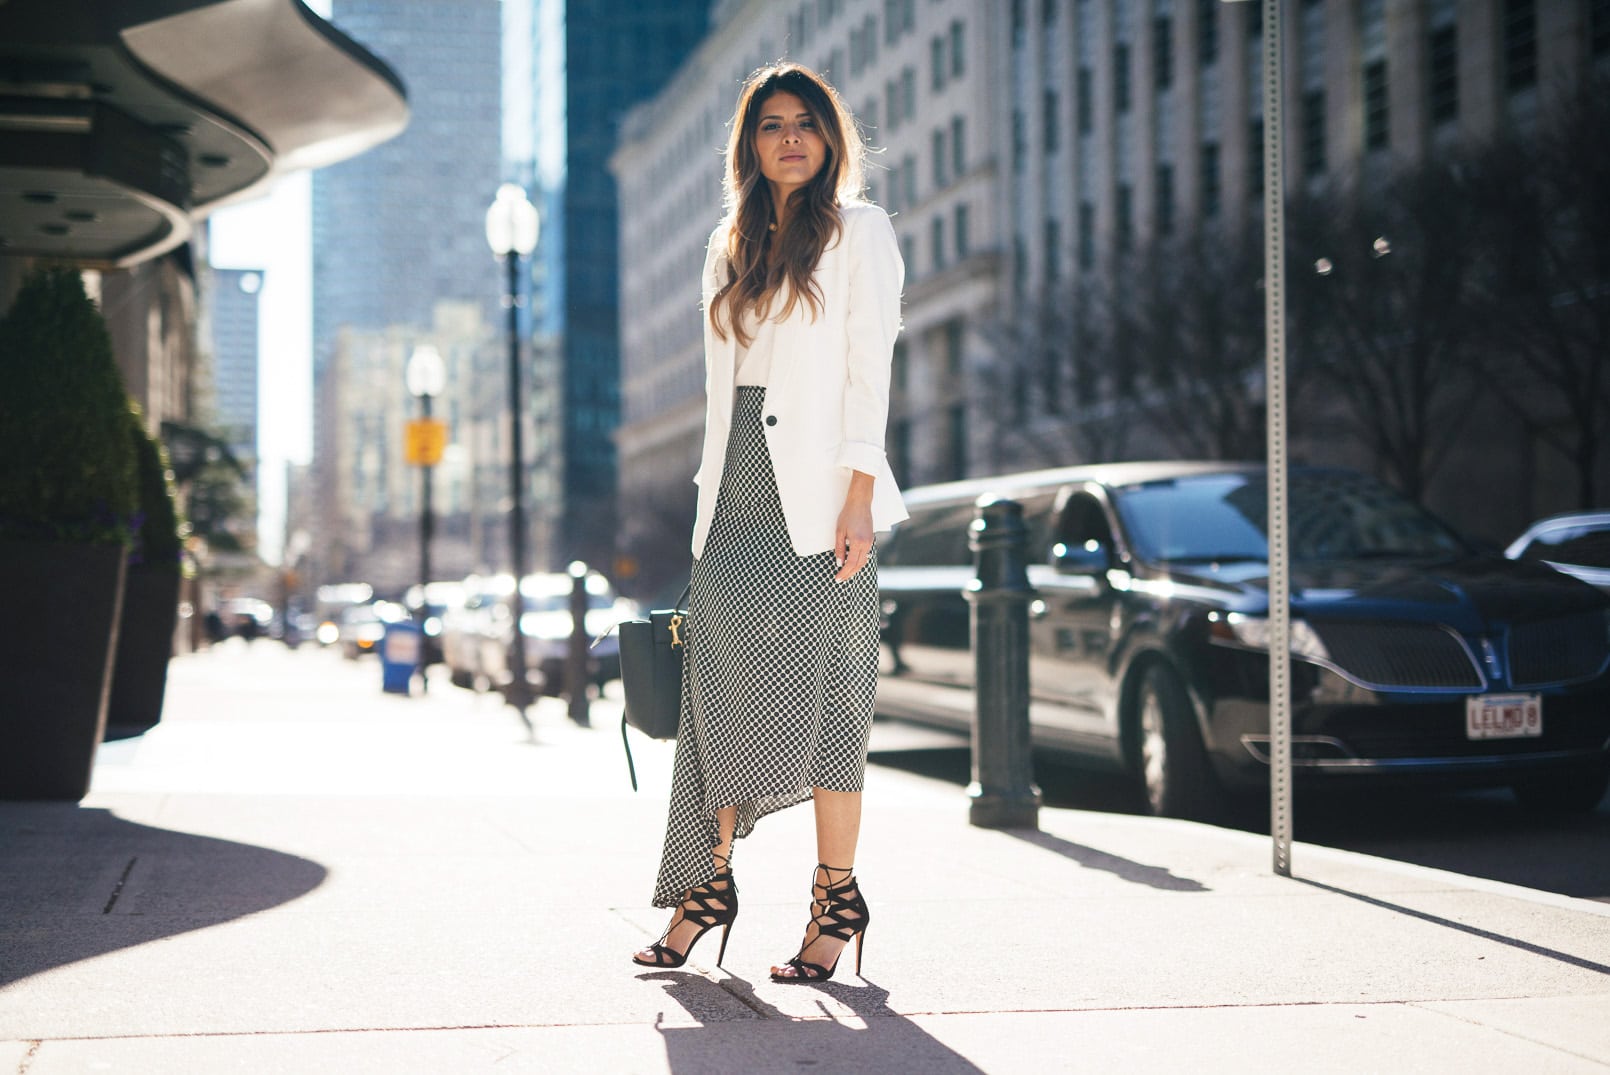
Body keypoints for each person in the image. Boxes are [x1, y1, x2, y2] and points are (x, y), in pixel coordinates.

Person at [631, 62, 907, 983]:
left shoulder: (860, 232)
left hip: (822, 499)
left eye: (805, 122)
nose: (789, 136)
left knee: (830, 710)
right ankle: (705, 889)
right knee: (715, 706)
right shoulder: (728, 244)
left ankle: (836, 899)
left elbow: (871, 371)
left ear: (831, 139)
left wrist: (859, 495)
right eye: (770, 124)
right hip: (735, 493)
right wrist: (705, 518)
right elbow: (724, 395)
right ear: (750, 144)